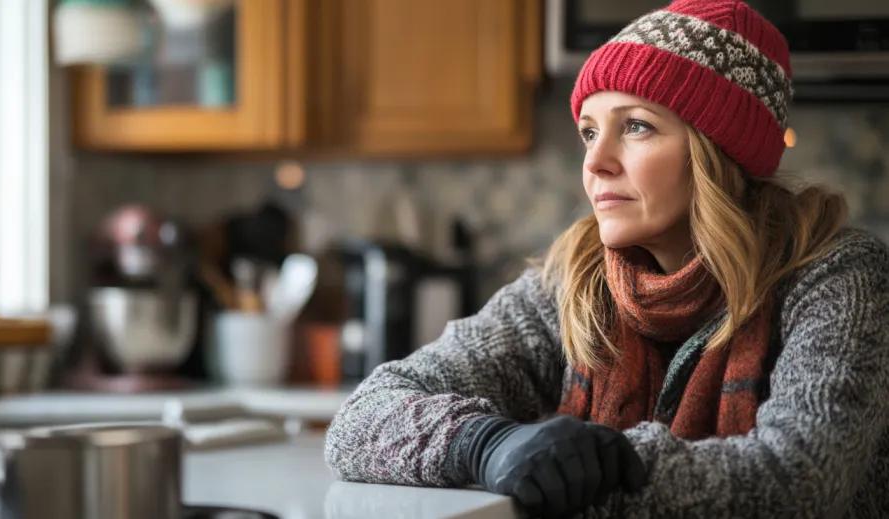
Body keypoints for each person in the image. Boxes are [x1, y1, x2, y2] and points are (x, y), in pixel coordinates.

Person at [324, 0, 889, 517]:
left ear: (719, 154)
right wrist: (488, 445)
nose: (596, 162)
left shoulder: (837, 276)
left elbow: (801, 480)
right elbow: (361, 418)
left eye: (636, 126)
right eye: (589, 132)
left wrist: (598, 463)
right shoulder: (574, 281)